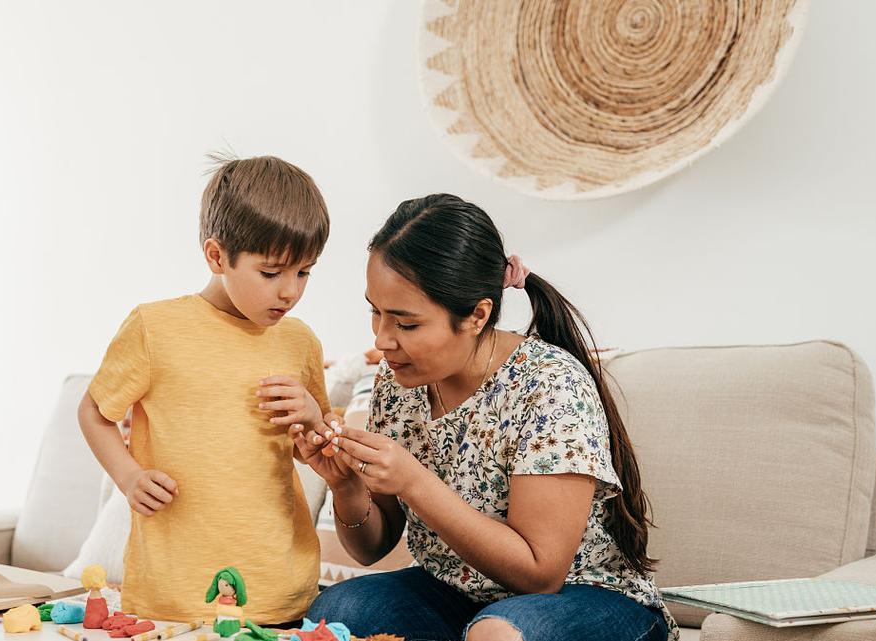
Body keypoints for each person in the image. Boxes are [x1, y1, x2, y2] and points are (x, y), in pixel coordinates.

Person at [296, 194, 678, 641]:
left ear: (477, 315)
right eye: (375, 313)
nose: (382, 339)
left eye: (406, 323)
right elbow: (371, 547)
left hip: (585, 598)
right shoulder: (397, 383)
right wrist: (346, 485)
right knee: (337, 612)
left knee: (495, 634)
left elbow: (540, 575)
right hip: (458, 597)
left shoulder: (548, 385)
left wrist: (414, 482)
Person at [79, 155, 333, 624]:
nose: (290, 292)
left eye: (304, 272)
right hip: (172, 594)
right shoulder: (156, 328)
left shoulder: (300, 341)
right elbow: (95, 412)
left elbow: (313, 447)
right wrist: (130, 477)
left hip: (281, 587)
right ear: (217, 256)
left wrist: (315, 420)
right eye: (272, 273)